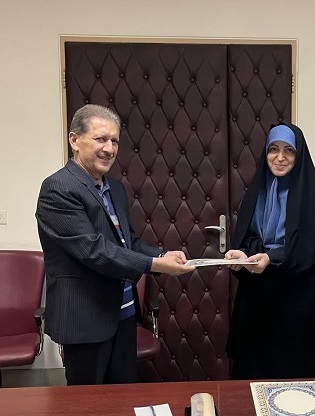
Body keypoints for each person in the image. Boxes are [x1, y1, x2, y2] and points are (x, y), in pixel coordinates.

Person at [36, 104, 195, 385]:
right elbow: (93, 250)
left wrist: (161, 254)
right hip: (85, 319)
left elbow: (128, 241)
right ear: (74, 140)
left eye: (114, 141)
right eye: (100, 139)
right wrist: (154, 264)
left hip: (123, 313)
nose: (109, 149)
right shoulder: (58, 188)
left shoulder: (115, 188)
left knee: (123, 396)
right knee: (88, 404)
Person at [224, 123, 315, 379]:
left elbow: (311, 250)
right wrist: (244, 255)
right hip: (255, 297)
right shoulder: (256, 191)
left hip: (293, 301)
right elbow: (247, 237)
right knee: (250, 374)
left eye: (288, 150)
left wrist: (271, 257)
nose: (280, 157)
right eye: (273, 149)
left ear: (299, 154)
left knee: (288, 378)